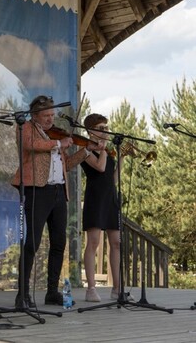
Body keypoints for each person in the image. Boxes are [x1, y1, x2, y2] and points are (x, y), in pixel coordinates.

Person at [11, 95, 102, 308]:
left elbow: (67, 164)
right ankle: (22, 294)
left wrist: (86, 150)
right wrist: (58, 143)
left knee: (59, 243)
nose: (50, 119)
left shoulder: (54, 136)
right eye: (46, 115)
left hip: (59, 192)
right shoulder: (26, 128)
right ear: (35, 115)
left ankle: (52, 291)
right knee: (32, 242)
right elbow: (31, 145)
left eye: (52, 115)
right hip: (37, 190)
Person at [81, 114, 121, 302]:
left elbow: (112, 179)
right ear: (91, 130)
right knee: (94, 242)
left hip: (110, 198)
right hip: (95, 198)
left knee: (116, 242)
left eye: (107, 127)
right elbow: (100, 167)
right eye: (102, 128)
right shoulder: (85, 150)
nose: (106, 130)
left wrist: (121, 160)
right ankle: (91, 288)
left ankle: (117, 288)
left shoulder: (107, 151)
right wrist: (103, 148)